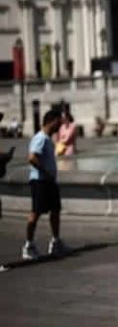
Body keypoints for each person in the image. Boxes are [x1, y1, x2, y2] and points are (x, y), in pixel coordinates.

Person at [22, 109, 68, 260]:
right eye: (58, 123)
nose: (60, 126)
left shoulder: (47, 138)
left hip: (48, 181)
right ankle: (29, 245)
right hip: (40, 181)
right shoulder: (40, 138)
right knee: (35, 212)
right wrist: (46, 172)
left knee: (55, 210)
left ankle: (56, 242)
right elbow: (32, 157)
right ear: (52, 121)